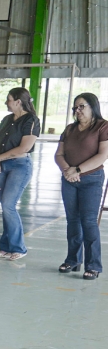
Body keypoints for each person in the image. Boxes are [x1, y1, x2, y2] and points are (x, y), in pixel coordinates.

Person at [55, 93, 108, 279]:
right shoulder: (70, 129)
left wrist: (77, 170)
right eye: (75, 107)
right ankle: (73, 260)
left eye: (81, 106)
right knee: (72, 221)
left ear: (93, 106)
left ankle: (93, 265)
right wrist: (67, 171)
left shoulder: (103, 126)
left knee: (89, 221)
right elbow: (59, 154)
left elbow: (102, 155)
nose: (77, 110)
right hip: (69, 180)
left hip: (91, 179)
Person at [0, 87, 41, 261]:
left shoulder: (31, 120)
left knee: (8, 204)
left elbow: (24, 148)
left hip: (20, 165)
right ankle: (5, 247)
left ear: (18, 102)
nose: (6, 102)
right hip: (3, 166)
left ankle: (19, 247)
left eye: (9, 99)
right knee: (5, 206)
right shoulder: (6, 119)